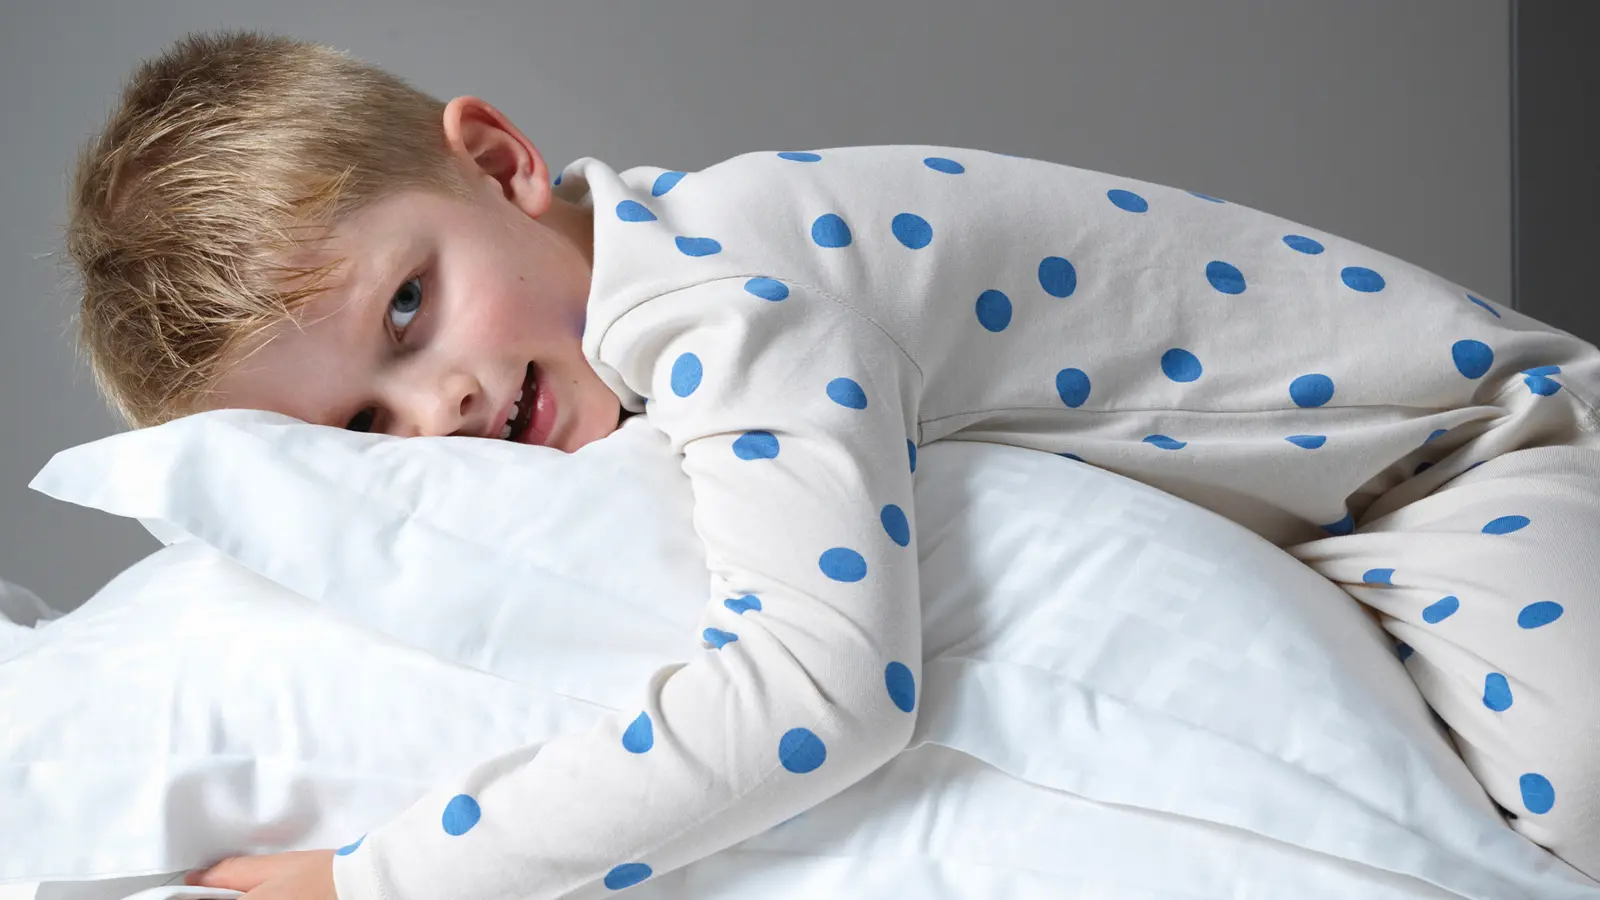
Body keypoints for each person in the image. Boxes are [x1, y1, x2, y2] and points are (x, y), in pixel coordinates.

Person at [66, 30, 1599, 899]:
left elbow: (819, 691)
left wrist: (374, 882)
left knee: (1572, 796)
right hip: (1343, 521)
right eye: (362, 429)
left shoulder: (724, 286)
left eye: (409, 305)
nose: (444, 404)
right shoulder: (647, 300)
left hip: (1473, 458)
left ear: (502, 162)